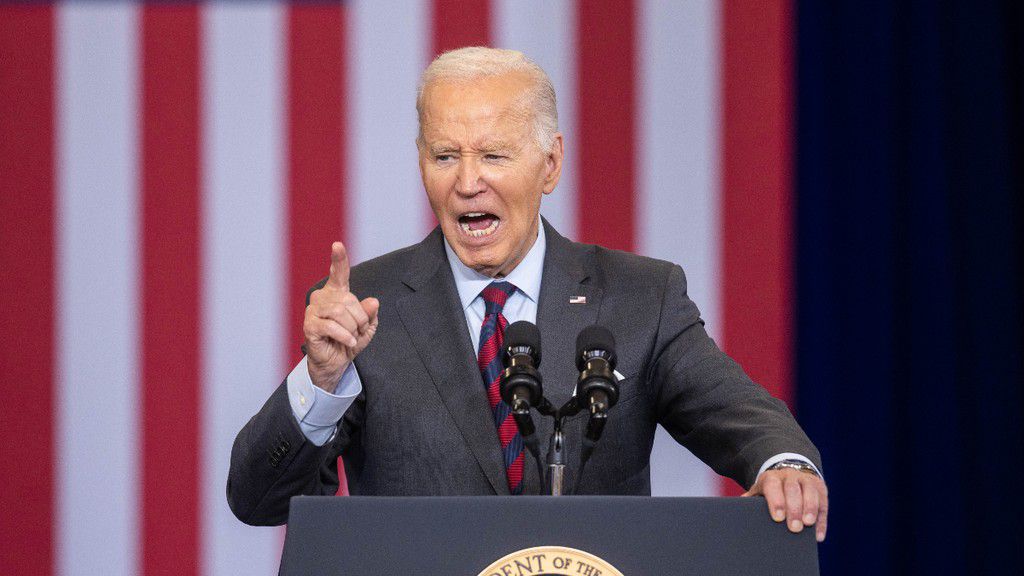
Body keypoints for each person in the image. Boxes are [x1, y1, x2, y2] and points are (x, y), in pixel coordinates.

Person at [228, 47, 828, 542]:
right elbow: (257, 499)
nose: (467, 183)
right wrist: (322, 380)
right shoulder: (365, 308)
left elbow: (747, 421)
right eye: (445, 157)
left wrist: (786, 466)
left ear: (550, 163)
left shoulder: (640, 297)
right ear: (421, 164)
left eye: (493, 155)